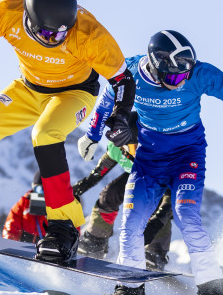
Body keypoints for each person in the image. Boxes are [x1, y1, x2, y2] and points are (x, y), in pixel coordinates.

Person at [78, 30, 223, 295]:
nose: (182, 81)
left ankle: (213, 292)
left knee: (186, 214)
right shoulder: (129, 73)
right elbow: (107, 102)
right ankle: (130, 289)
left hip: (187, 155)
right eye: (176, 77)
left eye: (185, 76)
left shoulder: (198, 73)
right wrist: (92, 135)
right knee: (131, 220)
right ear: (155, 65)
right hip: (149, 159)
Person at [0, 0, 136, 265]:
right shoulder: (6, 13)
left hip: (75, 93)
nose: (55, 40)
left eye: (61, 36)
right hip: (28, 89)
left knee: (45, 133)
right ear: (28, 19)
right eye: (47, 34)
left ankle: (63, 229)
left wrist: (119, 116)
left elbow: (123, 80)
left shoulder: (89, 33)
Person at [73, 112, 173, 270]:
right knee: (109, 194)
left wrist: (157, 221)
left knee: (158, 206)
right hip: (137, 177)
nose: (138, 152)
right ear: (123, 144)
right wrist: (83, 186)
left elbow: (171, 196)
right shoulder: (117, 148)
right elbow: (101, 170)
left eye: (141, 145)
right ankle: (95, 239)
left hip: (164, 184)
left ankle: (155, 251)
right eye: (134, 147)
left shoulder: (158, 153)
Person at [2, 171, 48, 244]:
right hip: (23, 251)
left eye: (47, 190)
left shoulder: (57, 208)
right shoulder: (23, 204)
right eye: (39, 189)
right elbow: (10, 230)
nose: (42, 194)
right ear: (33, 188)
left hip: (46, 252)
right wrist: (10, 246)